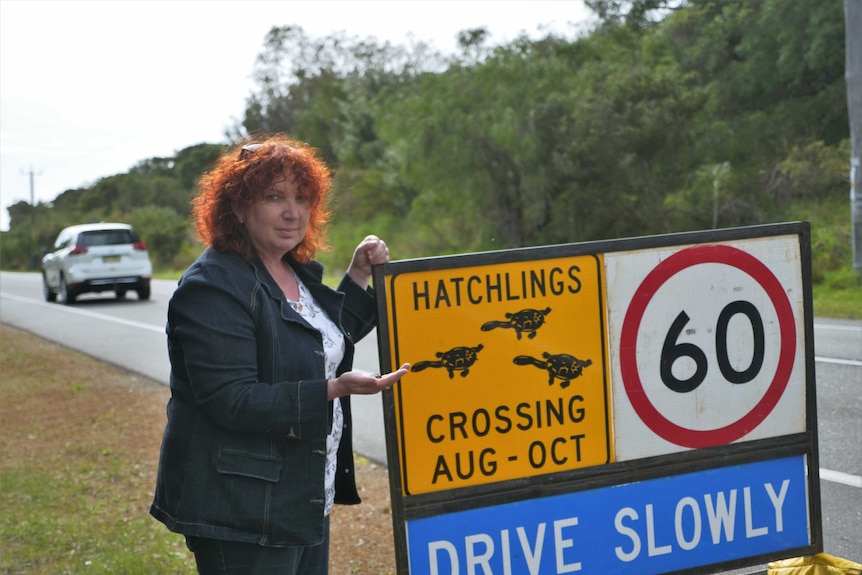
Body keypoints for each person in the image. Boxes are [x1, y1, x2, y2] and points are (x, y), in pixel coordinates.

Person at [149, 134, 409, 574]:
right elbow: (232, 400)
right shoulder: (212, 286)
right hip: (242, 509)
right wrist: (331, 390)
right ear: (237, 207)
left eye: (302, 198)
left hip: (301, 493)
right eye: (274, 197)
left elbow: (322, 343)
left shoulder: (291, 269)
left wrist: (359, 276)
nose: (293, 212)